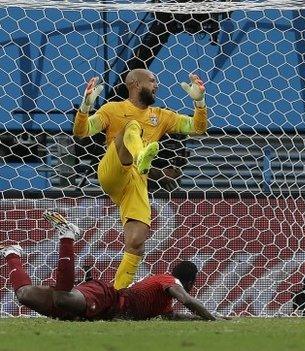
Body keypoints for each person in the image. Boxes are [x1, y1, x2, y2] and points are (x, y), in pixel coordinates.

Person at [73, 69, 208, 290]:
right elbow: (82, 131)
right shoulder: (112, 109)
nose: (157, 85)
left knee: (136, 242)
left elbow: (198, 128)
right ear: (135, 83)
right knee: (131, 126)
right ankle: (139, 157)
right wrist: (85, 107)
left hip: (136, 183)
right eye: (153, 80)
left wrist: (200, 103)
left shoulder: (162, 116)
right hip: (114, 170)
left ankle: (118, 295)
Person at [1, 211, 219, 321]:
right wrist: (212, 319)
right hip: (106, 299)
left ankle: (12, 253)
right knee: (61, 297)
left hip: (87, 309)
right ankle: (68, 236)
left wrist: (205, 317)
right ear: (190, 282)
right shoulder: (167, 280)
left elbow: (175, 315)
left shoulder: (164, 304)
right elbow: (187, 300)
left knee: (24, 295)